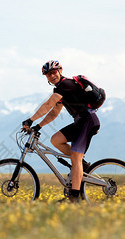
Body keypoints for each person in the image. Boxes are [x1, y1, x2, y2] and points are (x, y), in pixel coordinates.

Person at [22, 60, 100, 203]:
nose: (52, 76)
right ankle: (83, 166)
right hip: (80, 121)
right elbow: (54, 112)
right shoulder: (60, 90)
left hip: (87, 121)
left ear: (60, 70)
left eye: (53, 72)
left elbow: (47, 105)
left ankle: (74, 197)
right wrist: (39, 126)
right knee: (56, 139)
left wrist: (30, 120)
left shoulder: (65, 85)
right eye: (48, 74)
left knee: (75, 158)